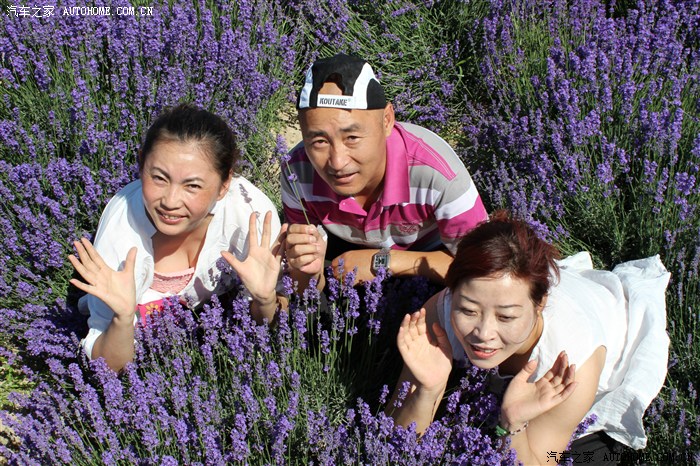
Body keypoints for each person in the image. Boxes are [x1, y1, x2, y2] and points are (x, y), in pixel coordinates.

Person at [389, 211, 670, 465]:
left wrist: (513, 425)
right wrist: (426, 391)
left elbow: (540, 460)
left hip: (606, 338)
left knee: (588, 457)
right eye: (468, 310)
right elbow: (393, 441)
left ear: (540, 305)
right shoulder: (438, 316)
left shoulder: (572, 363)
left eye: (506, 317)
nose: (483, 334)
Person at [70, 103, 285, 371]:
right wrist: (122, 319)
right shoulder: (121, 236)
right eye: (159, 178)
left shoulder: (250, 218)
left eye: (192, 185)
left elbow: (271, 326)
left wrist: (265, 300)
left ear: (224, 184)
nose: (170, 202)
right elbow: (106, 368)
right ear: (141, 164)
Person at [282, 53, 488, 291]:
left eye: (352, 137)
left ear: (387, 120)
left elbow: (486, 270)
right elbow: (304, 285)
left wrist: (383, 261)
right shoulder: (296, 172)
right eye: (319, 141)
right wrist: (308, 270)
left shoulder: (438, 175)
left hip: (435, 260)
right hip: (344, 255)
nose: (337, 162)